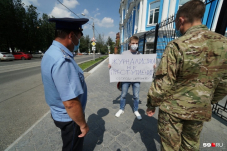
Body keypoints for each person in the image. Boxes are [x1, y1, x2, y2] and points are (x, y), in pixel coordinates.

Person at [146, 0, 227, 150]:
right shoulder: (224, 44)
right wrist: (206, 99)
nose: (177, 27)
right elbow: (224, 83)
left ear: (181, 20)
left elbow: (163, 83)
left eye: (176, 22)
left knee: (170, 147)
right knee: (190, 146)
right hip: (199, 110)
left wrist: (152, 104)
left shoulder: (177, 45)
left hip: (172, 112)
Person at [41, 18, 89, 151]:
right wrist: (83, 125)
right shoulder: (63, 60)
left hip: (58, 112)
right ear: (71, 35)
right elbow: (71, 103)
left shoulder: (50, 52)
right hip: (70, 118)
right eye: (78, 37)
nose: (78, 42)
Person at [109, 36, 142, 120]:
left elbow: (144, 66)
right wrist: (112, 65)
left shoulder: (140, 55)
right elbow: (119, 64)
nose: (135, 45)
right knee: (123, 95)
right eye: (133, 43)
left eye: (136, 43)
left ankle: (136, 110)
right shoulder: (124, 54)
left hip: (136, 79)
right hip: (125, 79)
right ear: (129, 44)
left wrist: (151, 66)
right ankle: (121, 109)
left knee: (136, 96)